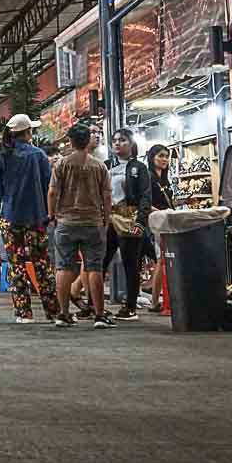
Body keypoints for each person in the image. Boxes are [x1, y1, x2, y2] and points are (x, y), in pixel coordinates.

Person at [0, 113, 62, 325]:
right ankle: (53, 312)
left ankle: (23, 312)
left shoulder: (1, 154)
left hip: (10, 217)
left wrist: (8, 197)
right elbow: (48, 185)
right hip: (36, 217)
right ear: (27, 132)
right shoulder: (38, 155)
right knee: (42, 264)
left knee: (16, 265)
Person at [48, 123, 112, 329]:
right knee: (94, 267)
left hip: (65, 223)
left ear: (70, 141)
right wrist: (106, 218)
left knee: (64, 267)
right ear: (88, 141)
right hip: (93, 223)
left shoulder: (61, 164)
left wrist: (52, 215)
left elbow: (52, 192)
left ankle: (63, 313)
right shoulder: (99, 166)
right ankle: (100, 316)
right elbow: (107, 195)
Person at [102, 128, 150, 321]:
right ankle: (94, 305)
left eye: (122, 140)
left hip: (129, 219)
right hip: (108, 220)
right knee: (100, 262)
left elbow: (146, 196)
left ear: (131, 144)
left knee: (131, 264)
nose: (117, 144)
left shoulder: (138, 167)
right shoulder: (106, 166)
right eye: (114, 140)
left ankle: (130, 306)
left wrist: (141, 222)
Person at [146, 143, 174, 313]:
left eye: (166, 156)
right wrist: (162, 213)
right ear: (152, 157)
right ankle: (155, 301)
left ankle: (156, 300)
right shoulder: (149, 177)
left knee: (162, 259)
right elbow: (145, 202)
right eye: (161, 156)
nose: (164, 159)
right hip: (157, 221)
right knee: (161, 259)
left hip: (167, 220)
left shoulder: (164, 178)